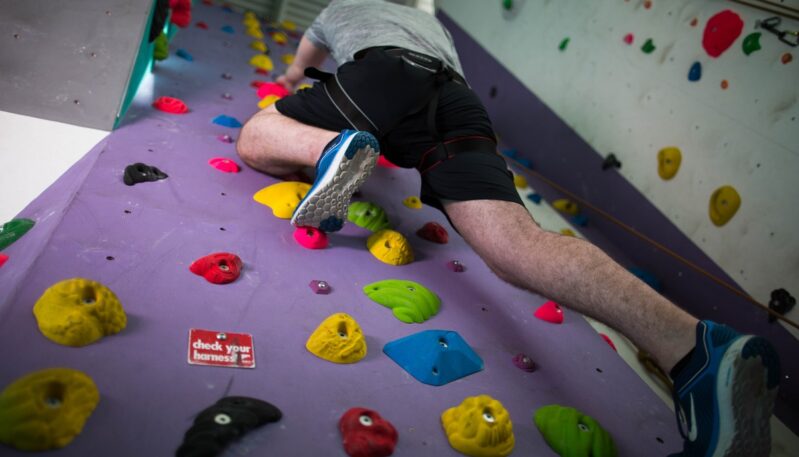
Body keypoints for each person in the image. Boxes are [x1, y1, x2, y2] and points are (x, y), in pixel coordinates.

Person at [236, 1, 781, 455]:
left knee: (258, 135)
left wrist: (290, 78)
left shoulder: (340, 6)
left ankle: (327, 148)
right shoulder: (431, 22)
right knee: (514, 245)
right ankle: (694, 348)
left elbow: (306, 56)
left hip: (383, 76)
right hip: (456, 104)